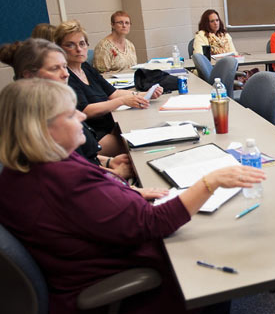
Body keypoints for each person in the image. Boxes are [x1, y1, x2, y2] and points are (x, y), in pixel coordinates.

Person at [0, 78, 265, 314]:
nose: (82, 116)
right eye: (70, 114)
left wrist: (129, 189)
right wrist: (211, 181)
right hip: (119, 280)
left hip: (82, 264)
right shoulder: (64, 179)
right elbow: (154, 222)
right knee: (218, 272)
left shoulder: (27, 168)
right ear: (41, 130)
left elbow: (87, 200)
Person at [0, 38, 166, 200]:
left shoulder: (55, 102)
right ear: (29, 75)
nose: (65, 74)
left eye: (64, 67)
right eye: (55, 68)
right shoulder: (44, 119)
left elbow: (79, 161)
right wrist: (119, 179)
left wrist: (107, 162)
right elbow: (74, 176)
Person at [54, 20, 162, 156]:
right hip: (94, 134)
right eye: (70, 45)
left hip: (111, 125)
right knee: (142, 149)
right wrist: (123, 101)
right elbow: (86, 110)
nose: (79, 49)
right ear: (60, 49)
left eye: (82, 44)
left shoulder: (86, 68)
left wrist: (142, 94)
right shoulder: (66, 77)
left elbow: (114, 93)